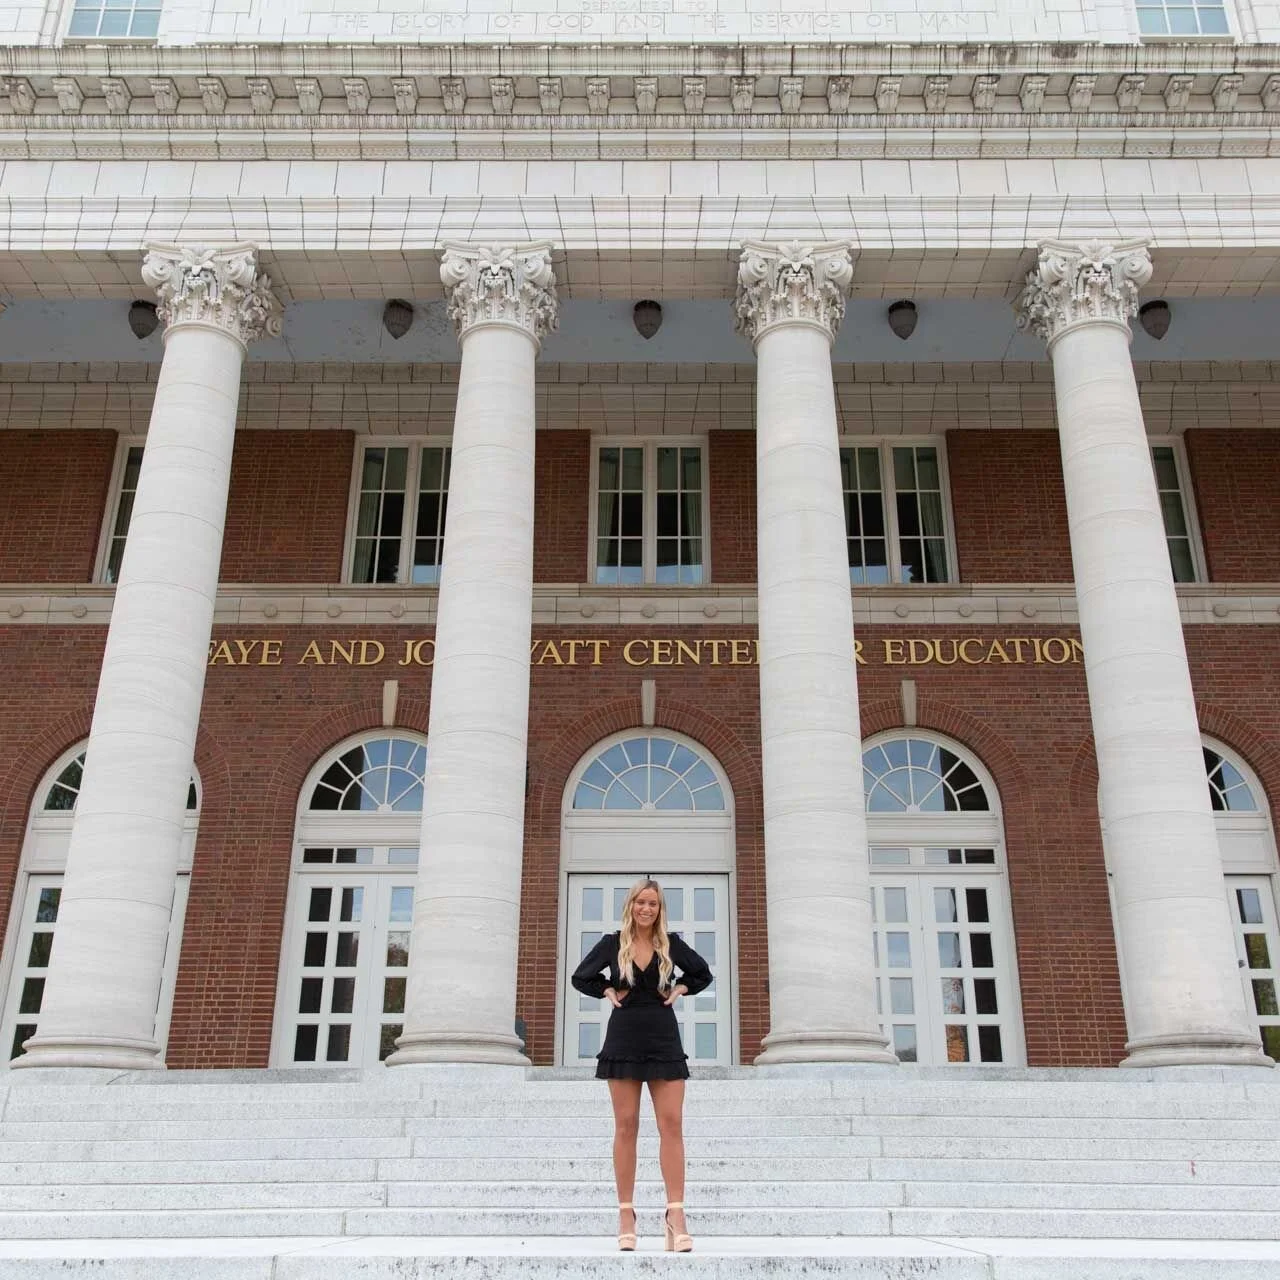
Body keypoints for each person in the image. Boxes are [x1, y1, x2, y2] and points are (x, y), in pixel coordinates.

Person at [571, 877, 713, 1253]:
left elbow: (701, 974)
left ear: (659, 908)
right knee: (626, 1127)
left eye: (653, 904)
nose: (646, 909)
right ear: (631, 905)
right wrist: (605, 989)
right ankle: (625, 1215)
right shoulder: (612, 943)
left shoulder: (672, 944)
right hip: (624, 1038)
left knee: (672, 1125)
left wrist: (681, 988)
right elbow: (581, 976)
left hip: (664, 1039)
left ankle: (675, 1215)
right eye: (640, 902)